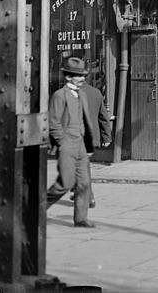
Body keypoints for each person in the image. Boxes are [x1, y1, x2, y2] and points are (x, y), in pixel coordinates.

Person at [47, 56, 112, 228]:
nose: (83, 79)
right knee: (66, 183)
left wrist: (88, 145)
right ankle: (38, 208)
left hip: (82, 146)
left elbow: (86, 121)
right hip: (68, 145)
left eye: (83, 75)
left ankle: (80, 218)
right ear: (68, 77)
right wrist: (62, 143)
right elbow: (53, 122)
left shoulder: (81, 94)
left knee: (84, 183)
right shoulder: (59, 96)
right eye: (78, 76)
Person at [69, 78, 113, 208]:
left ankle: (89, 197)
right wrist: (106, 137)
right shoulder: (96, 93)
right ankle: (79, 191)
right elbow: (103, 117)